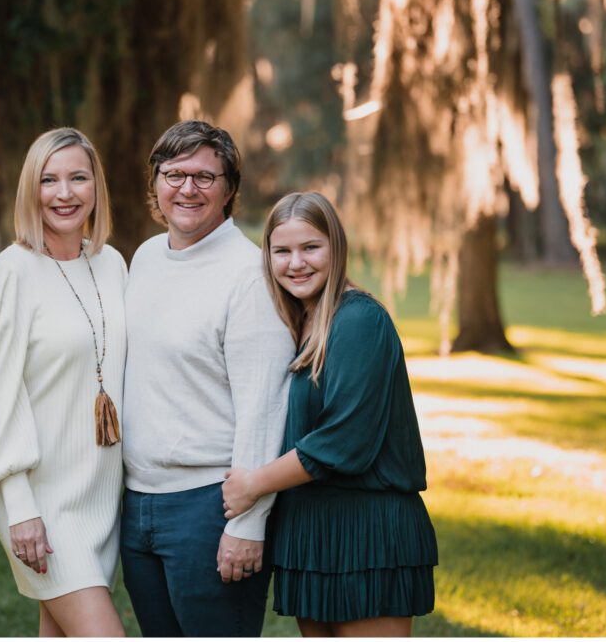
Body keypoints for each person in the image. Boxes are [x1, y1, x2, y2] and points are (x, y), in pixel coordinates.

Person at [221, 191, 439, 637]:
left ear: (336, 248)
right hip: (310, 531)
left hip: (367, 531)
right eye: (281, 251)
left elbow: (344, 442)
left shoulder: (359, 320)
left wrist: (252, 485)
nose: (295, 263)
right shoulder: (300, 322)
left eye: (310, 248)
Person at [120, 120, 295, 636]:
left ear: (229, 189)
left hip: (209, 507)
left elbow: (265, 407)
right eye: (174, 174)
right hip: (137, 505)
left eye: (204, 177)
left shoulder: (248, 274)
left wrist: (247, 524)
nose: (187, 189)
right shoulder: (147, 257)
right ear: (155, 183)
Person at [0, 127, 127, 637]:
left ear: (96, 186)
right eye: (49, 180)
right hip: (42, 501)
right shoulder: (14, 272)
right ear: (32, 190)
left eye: (78, 177)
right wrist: (21, 507)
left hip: (99, 492)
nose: (65, 193)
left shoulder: (112, 263)